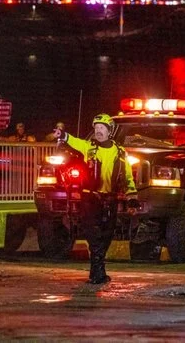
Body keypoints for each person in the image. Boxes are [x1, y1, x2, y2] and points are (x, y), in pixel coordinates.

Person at [52, 113, 138, 284]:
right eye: (96, 128)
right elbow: (74, 141)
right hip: (90, 198)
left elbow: (127, 176)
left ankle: (97, 272)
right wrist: (63, 135)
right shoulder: (89, 147)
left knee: (106, 236)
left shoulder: (120, 152)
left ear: (110, 131)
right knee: (93, 235)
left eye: (101, 128)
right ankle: (98, 273)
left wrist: (132, 198)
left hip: (110, 200)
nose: (98, 131)